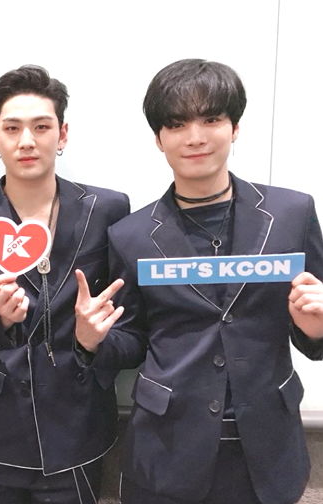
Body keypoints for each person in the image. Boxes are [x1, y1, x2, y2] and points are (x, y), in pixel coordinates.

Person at [80, 59, 323, 504]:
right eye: (177, 124)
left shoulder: (292, 214)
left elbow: (315, 328)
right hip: (167, 446)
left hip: (268, 445)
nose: (195, 137)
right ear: (159, 139)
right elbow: (131, 341)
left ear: (235, 128)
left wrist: (315, 329)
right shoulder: (131, 235)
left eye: (211, 119)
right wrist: (90, 341)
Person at [0, 65, 130, 503]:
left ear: (62, 134)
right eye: (12, 128)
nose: (26, 141)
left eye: (41, 127)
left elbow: (131, 325)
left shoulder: (107, 211)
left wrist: (92, 341)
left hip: (78, 430)